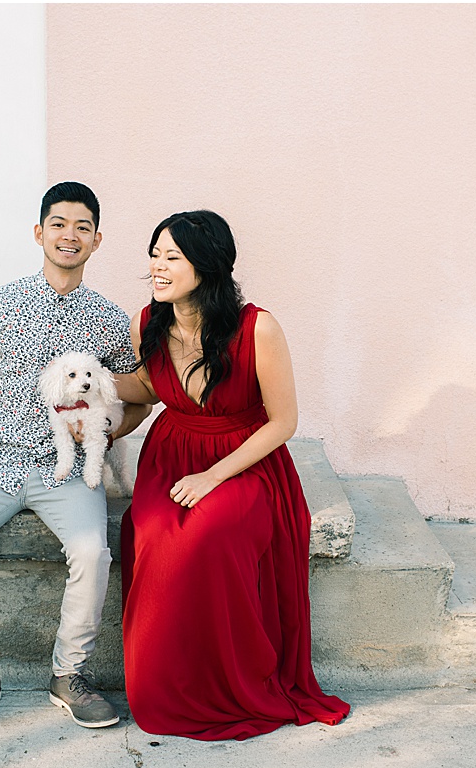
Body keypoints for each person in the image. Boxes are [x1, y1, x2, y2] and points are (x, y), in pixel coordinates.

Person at [113, 210, 350, 740]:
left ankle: (230, 683)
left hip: (244, 460)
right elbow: (151, 389)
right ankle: (165, 687)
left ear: (208, 264)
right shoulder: (147, 322)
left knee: (211, 535)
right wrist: (91, 389)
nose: (158, 267)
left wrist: (212, 477)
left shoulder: (258, 328)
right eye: (154, 254)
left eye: (172, 257)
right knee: (153, 535)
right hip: (172, 454)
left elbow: (284, 422)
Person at [0, 182, 150, 732]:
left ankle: (69, 675)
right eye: (59, 224)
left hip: (67, 470)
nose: (69, 235)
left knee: (94, 553)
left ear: (97, 240)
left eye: (82, 227)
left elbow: (139, 391)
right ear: (39, 232)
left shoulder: (109, 318)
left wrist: (105, 430)